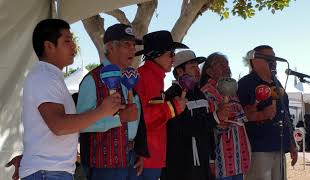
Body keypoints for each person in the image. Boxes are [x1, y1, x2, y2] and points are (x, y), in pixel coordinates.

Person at [13, 19, 122, 180]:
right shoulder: (44, 76)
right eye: (67, 41)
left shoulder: (50, 77)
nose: (73, 46)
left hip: (51, 171)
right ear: (48, 46)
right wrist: (102, 111)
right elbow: (59, 126)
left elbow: (47, 129)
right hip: (48, 172)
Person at [76, 23, 149, 180]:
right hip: (104, 165)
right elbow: (80, 124)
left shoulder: (129, 77)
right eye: (126, 45)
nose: (132, 50)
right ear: (110, 47)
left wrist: (139, 151)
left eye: (134, 45)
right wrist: (119, 118)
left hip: (131, 159)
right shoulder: (92, 80)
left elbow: (136, 120)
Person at [237, 45, 298, 180]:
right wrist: (261, 114)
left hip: (280, 145)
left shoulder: (277, 83)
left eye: (274, 58)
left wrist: (292, 143)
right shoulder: (245, 84)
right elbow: (238, 116)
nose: (274, 62)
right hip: (258, 149)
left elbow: (285, 113)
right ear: (255, 61)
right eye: (269, 58)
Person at [134, 30, 188, 180]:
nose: (174, 58)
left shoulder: (155, 77)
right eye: (171, 53)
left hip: (153, 156)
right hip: (145, 158)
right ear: (156, 55)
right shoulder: (142, 76)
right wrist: (173, 107)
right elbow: (140, 118)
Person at [160, 50, 216, 180]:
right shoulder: (171, 95)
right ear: (180, 71)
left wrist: (212, 159)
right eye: (192, 67)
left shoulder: (200, 94)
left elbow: (208, 131)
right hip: (179, 165)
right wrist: (215, 117)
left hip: (202, 164)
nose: (197, 70)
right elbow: (184, 127)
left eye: (197, 66)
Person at [199, 53, 251, 180]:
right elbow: (207, 127)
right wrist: (211, 160)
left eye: (227, 64)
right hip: (220, 157)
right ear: (209, 71)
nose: (226, 67)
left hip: (237, 157)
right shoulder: (206, 92)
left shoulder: (232, 92)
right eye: (221, 64)